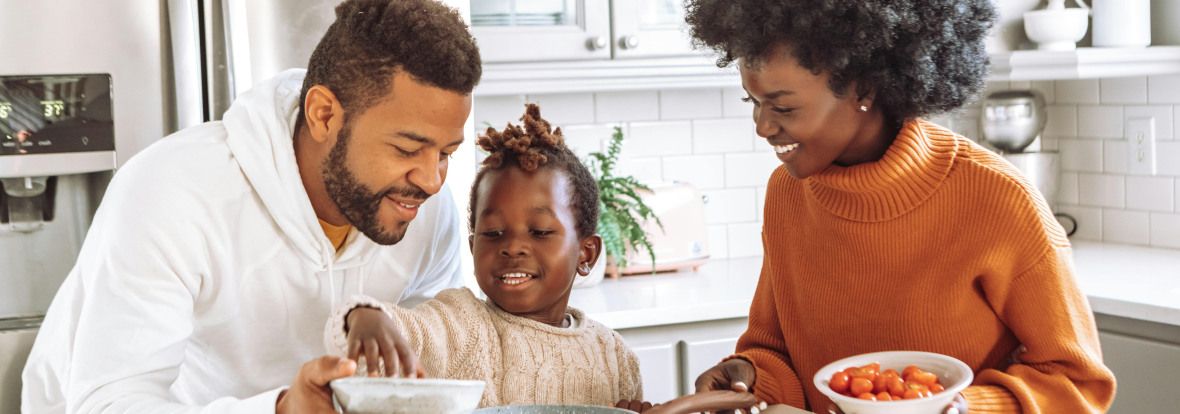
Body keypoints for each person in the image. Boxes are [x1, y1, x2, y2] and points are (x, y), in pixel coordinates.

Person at [21, 0, 480, 412]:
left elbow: (429, 349)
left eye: (446, 153)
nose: (432, 180)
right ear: (324, 115)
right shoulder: (173, 193)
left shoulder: (419, 210)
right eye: (406, 149)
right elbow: (106, 404)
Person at [682, 1, 1117, 413]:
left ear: (864, 88)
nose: (762, 126)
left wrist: (962, 408)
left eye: (783, 106)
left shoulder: (999, 199)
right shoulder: (788, 194)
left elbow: (1076, 384)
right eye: (753, 102)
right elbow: (777, 353)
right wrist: (747, 375)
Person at [324, 103, 646, 407]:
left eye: (540, 232)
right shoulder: (461, 325)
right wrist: (363, 316)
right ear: (473, 245)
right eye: (493, 234)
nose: (513, 247)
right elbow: (400, 332)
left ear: (586, 254)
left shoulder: (614, 356)